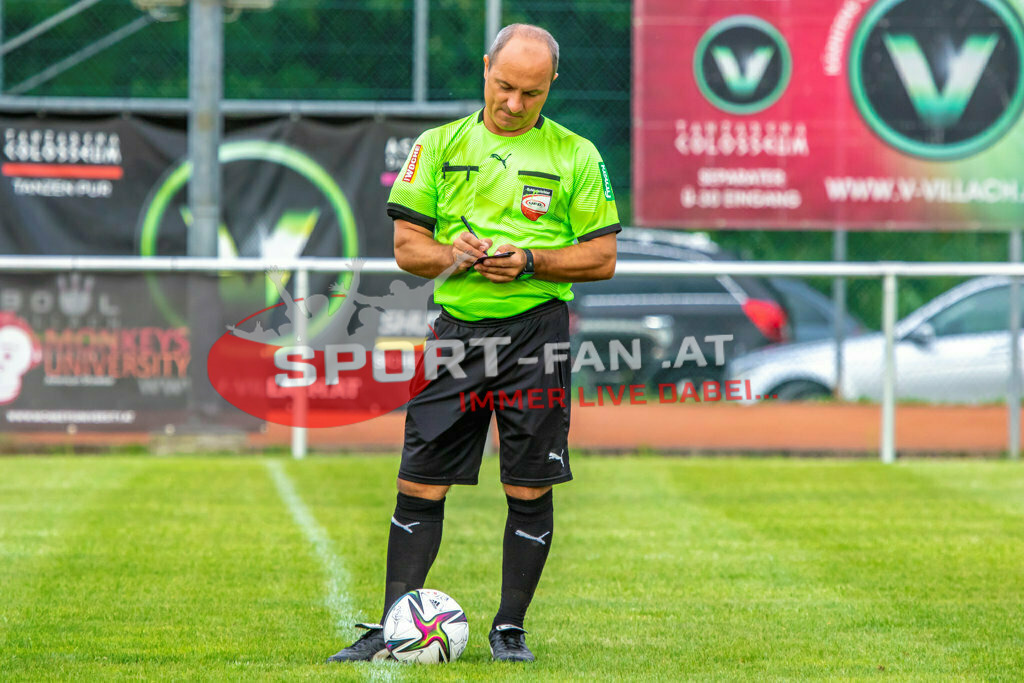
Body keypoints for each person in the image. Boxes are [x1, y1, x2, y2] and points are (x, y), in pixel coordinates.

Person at [328, 22, 619, 664]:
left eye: (532, 94)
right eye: (505, 86)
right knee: (419, 483)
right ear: (486, 68)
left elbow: (602, 257)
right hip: (455, 336)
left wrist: (530, 261)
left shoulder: (577, 154)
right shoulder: (435, 146)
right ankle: (391, 624)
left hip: (536, 337)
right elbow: (408, 249)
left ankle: (509, 630)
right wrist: (451, 255)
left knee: (528, 488)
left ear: (551, 88)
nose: (514, 104)